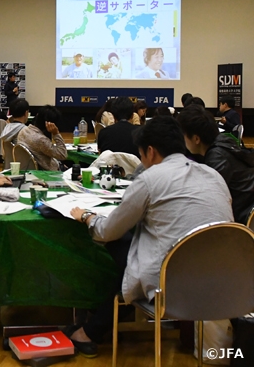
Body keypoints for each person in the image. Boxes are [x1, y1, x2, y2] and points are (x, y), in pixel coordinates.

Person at [67, 116, 233, 357]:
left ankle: (92, 324)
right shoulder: (213, 175)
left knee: (118, 242)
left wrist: (86, 217)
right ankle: (93, 328)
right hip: (226, 281)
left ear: (150, 152)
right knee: (135, 245)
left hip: (171, 286)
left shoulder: (149, 179)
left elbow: (107, 231)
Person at [178, 104, 254, 224]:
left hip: (244, 219)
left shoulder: (217, 158)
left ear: (196, 139)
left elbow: (209, 199)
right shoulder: (223, 141)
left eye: (184, 136)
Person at [17, 105, 67, 171]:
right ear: (50, 124)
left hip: (27, 168)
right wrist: (56, 133)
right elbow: (63, 154)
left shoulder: (23, 130)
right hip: (47, 171)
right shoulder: (41, 140)